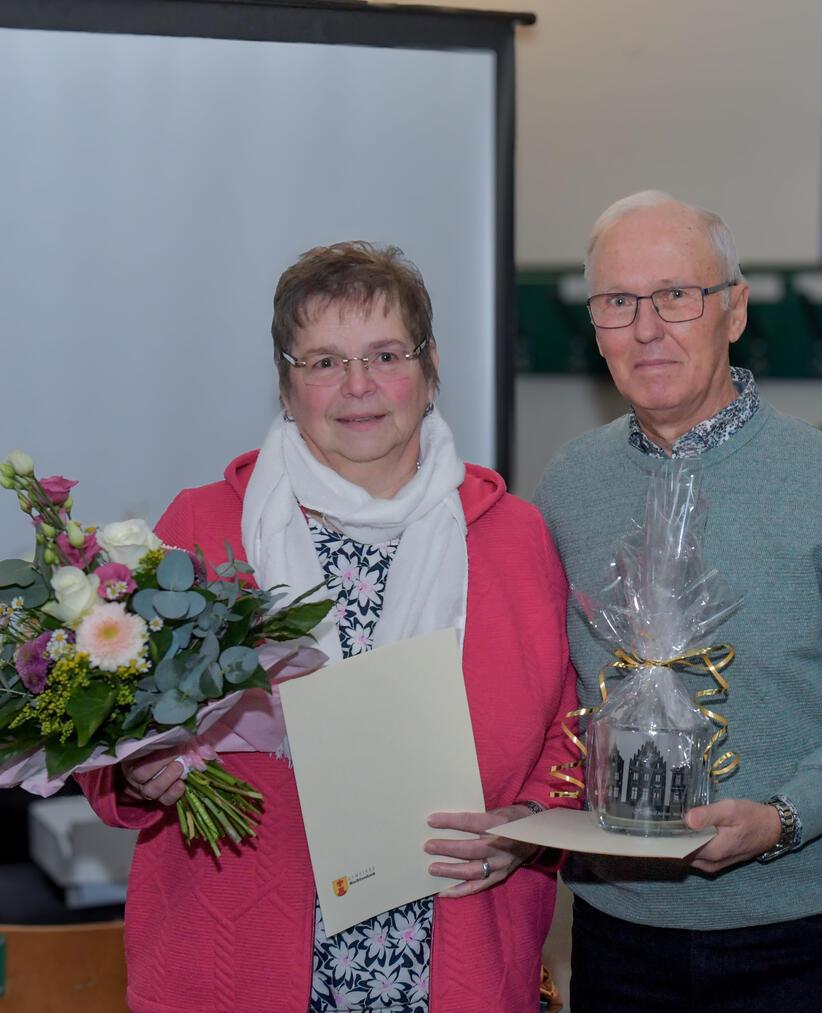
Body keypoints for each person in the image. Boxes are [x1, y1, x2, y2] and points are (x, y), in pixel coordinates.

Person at [78, 241, 579, 1012]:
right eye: (323, 362)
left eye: (385, 353)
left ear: (431, 365)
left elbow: (569, 732)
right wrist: (138, 773)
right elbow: (109, 730)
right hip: (236, 964)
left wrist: (530, 822)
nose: (358, 386)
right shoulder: (202, 530)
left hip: (456, 959)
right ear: (286, 384)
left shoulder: (515, 535)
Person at [534, 190, 822, 1012]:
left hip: (805, 931)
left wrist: (783, 818)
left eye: (677, 295)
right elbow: (545, 698)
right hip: (620, 928)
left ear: (735, 310)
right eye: (618, 302)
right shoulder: (566, 486)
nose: (647, 328)